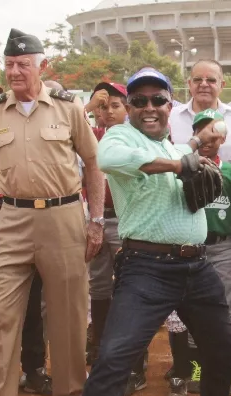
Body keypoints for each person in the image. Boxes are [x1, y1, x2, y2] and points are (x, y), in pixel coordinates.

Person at [67, 66, 231, 396]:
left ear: (170, 106)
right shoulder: (121, 136)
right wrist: (180, 165)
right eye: (139, 101)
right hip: (146, 267)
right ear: (130, 107)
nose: (149, 107)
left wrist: (195, 148)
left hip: (197, 266)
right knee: (114, 359)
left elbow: (181, 154)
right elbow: (109, 158)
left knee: (223, 348)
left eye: (158, 100)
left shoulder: (173, 145)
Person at [0, 28, 103, 396]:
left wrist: (95, 219)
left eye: (23, 64)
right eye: (9, 64)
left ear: (42, 65)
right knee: (1, 316)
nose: (14, 71)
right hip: (12, 219)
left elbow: (93, 166)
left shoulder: (68, 108)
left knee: (67, 314)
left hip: (63, 216)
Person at [182, 109, 231, 396]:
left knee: (229, 306)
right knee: (192, 308)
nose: (207, 137)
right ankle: (197, 367)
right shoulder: (184, 168)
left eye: (212, 131)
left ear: (222, 137)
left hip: (223, 246)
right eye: (201, 131)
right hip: (193, 247)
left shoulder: (230, 172)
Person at [87, 81, 127, 366]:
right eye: (103, 107)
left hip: (127, 219)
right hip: (96, 218)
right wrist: (87, 108)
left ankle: (130, 351)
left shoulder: (134, 137)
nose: (109, 112)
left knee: (128, 284)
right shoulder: (91, 135)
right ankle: (99, 343)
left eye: (115, 105)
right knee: (99, 284)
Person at [169, 59, 231, 164]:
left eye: (211, 80)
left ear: (222, 85)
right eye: (197, 79)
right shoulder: (171, 117)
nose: (203, 84)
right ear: (189, 84)